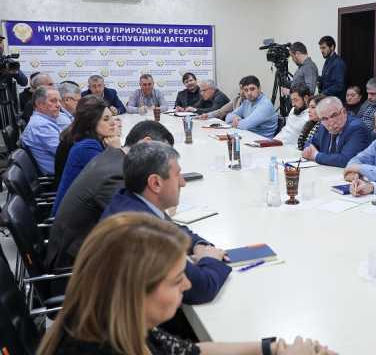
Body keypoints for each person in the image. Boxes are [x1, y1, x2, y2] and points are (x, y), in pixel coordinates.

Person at [38, 213, 335, 355]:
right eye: (176, 279)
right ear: (136, 290)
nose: (186, 285)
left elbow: (192, 352)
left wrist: (273, 348)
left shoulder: (115, 322)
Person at [101, 141, 231, 305]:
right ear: (155, 183)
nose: (183, 182)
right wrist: (211, 259)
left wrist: (198, 245)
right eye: (177, 175)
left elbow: (171, 227)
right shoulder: (144, 234)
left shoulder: (128, 200)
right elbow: (201, 288)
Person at [46, 121, 174, 272]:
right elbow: (147, 225)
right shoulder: (117, 175)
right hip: (76, 267)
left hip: (84, 247)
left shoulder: (113, 157)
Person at [51, 96, 120, 216]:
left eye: (111, 117)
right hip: (73, 220)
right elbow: (114, 180)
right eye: (106, 119)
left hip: (79, 213)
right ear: (91, 122)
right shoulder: (87, 148)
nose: (113, 123)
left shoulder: (90, 141)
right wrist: (116, 151)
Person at [302, 96, 370, 167]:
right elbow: (309, 143)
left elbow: (346, 160)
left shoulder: (357, 128)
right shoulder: (323, 126)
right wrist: (308, 150)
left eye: (334, 115)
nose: (331, 122)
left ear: (344, 112)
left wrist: (316, 156)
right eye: (324, 118)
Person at [20, 86, 67, 175]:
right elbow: (65, 152)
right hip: (59, 175)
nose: (59, 105)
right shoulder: (41, 125)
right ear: (40, 104)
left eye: (59, 101)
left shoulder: (44, 121)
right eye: (53, 101)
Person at [318, 36, 346, 100]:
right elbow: (327, 80)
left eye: (324, 48)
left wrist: (323, 93)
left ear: (332, 47)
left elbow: (339, 86)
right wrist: (317, 78)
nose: (321, 51)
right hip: (327, 99)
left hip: (335, 101)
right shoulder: (328, 61)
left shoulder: (338, 63)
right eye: (320, 48)